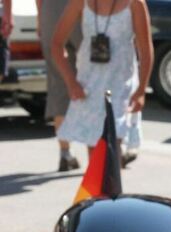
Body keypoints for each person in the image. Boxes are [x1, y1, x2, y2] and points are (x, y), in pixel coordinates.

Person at [51, 0, 153, 160]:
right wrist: (71, 82)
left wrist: (141, 91)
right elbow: (56, 45)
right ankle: (100, 184)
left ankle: (111, 183)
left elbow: (146, 51)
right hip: (89, 87)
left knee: (113, 145)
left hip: (121, 86)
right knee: (95, 153)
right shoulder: (80, 3)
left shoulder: (135, 4)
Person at [36, 0, 83, 172]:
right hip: (82, 8)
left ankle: (65, 152)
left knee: (59, 81)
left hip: (50, 10)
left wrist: (40, 18)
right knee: (94, 75)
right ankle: (100, 155)